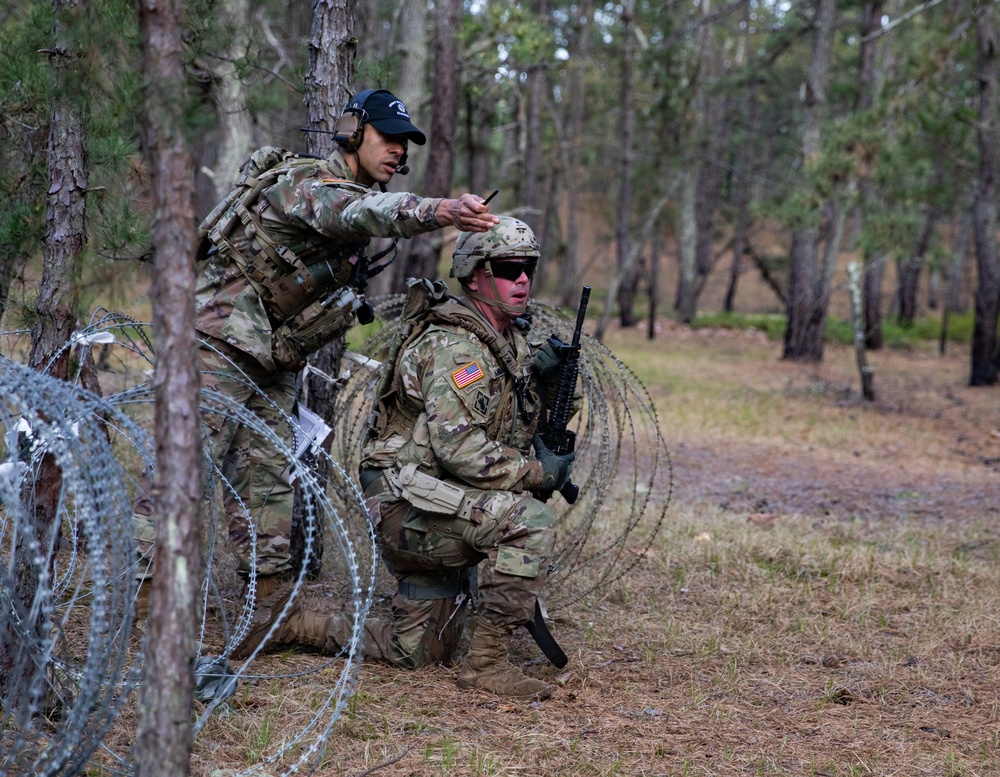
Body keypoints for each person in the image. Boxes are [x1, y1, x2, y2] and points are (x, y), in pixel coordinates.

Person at [132, 88, 500, 626]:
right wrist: (440, 210)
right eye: (387, 137)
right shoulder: (307, 184)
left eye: (405, 143)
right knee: (183, 466)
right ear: (353, 133)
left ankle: (271, 606)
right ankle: (144, 598)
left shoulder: (345, 193)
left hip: (269, 351)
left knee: (269, 476)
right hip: (216, 338)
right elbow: (363, 212)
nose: (398, 150)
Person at [232, 216, 577, 702]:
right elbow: (461, 452)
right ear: (476, 274)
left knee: (415, 650)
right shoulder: (457, 348)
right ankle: (486, 665)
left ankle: (295, 625)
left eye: (528, 268)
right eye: (508, 266)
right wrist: (539, 473)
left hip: (436, 501)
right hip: (405, 508)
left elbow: (504, 428)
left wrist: (552, 390)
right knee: (529, 521)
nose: (521, 278)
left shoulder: (506, 342)